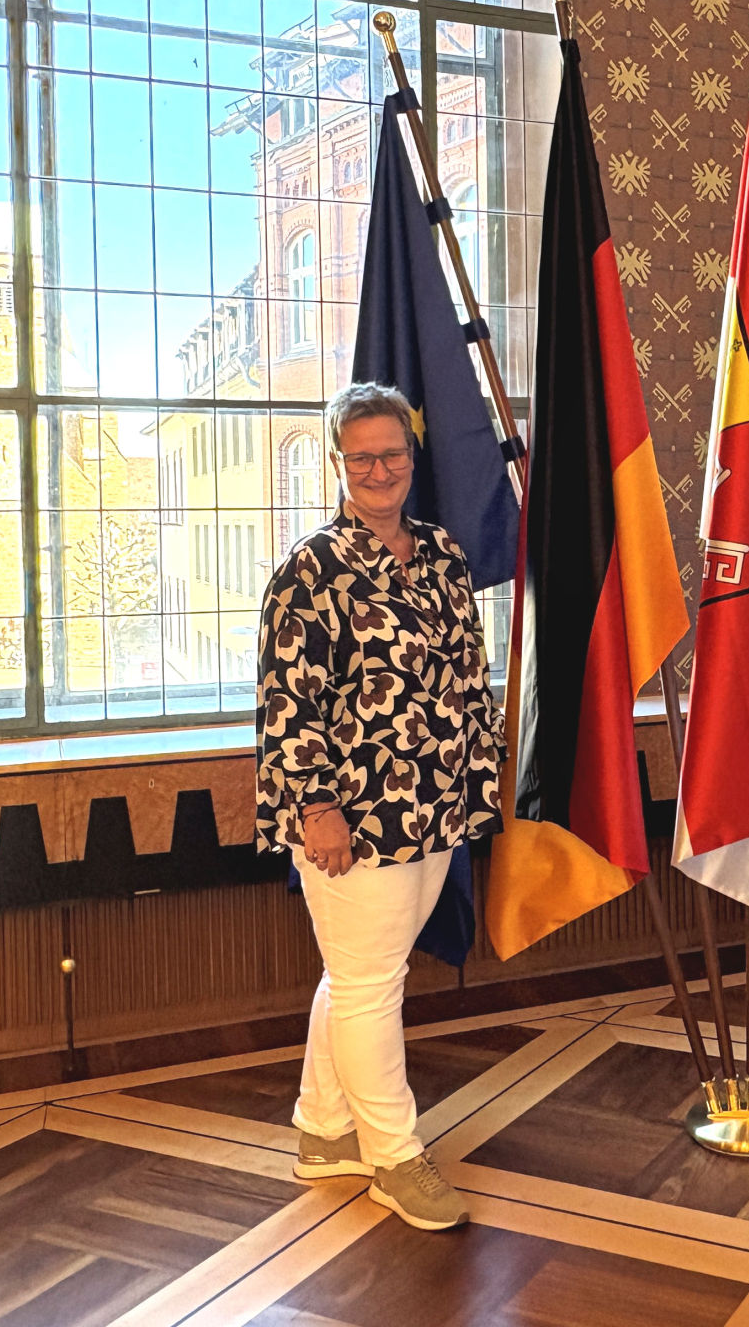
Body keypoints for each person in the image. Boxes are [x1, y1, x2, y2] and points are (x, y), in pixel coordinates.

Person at [256, 381, 503, 1232]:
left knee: (360, 977)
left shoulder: (442, 555)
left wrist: (481, 782)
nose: (379, 469)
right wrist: (313, 806)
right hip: (352, 820)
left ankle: (324, 1130)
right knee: (370, 984)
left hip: (436, 806)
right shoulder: (311, 569)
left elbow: (469, 679)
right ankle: (395, 1158)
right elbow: (287, 701)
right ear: (337, 463)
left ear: (412, 455)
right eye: (360, 456)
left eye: (392, 453)